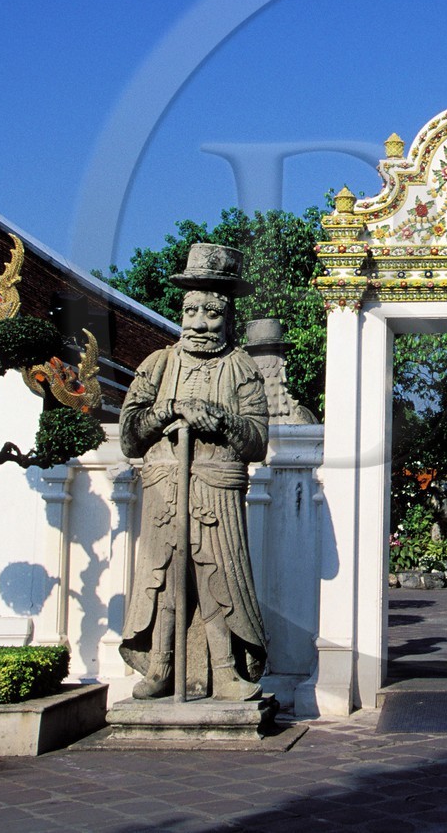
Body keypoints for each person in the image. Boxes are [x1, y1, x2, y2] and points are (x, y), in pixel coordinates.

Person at [119, 243, 270, 701]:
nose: (199, 324)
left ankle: (225, 670)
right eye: (191, 312)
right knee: (163, 577)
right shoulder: (159, 364)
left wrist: (219, 419)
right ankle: (161, 664)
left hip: (216, 488)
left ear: (227, 317)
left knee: (216, 577)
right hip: (166, 485)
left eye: (211, 313)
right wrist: (169, 410)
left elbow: (259, 441)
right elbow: (129, 434)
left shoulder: (240, 367)